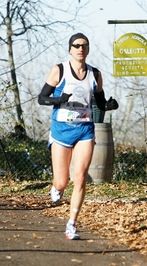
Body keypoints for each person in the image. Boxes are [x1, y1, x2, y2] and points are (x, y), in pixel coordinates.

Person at [37, 33, 119, 240]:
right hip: (62, 130)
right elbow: (41, 98)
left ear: (88, 49)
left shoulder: (95, 74)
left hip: (85, 130)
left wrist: (109, 105)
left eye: (84, 45)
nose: (80, 49)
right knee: (62, 182)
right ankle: (57, 188)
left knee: (80, 178)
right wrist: (59, 99)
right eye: (76, 45)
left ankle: (72, 224)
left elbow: (100, 104)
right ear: (70, 49)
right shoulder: (60, 70)